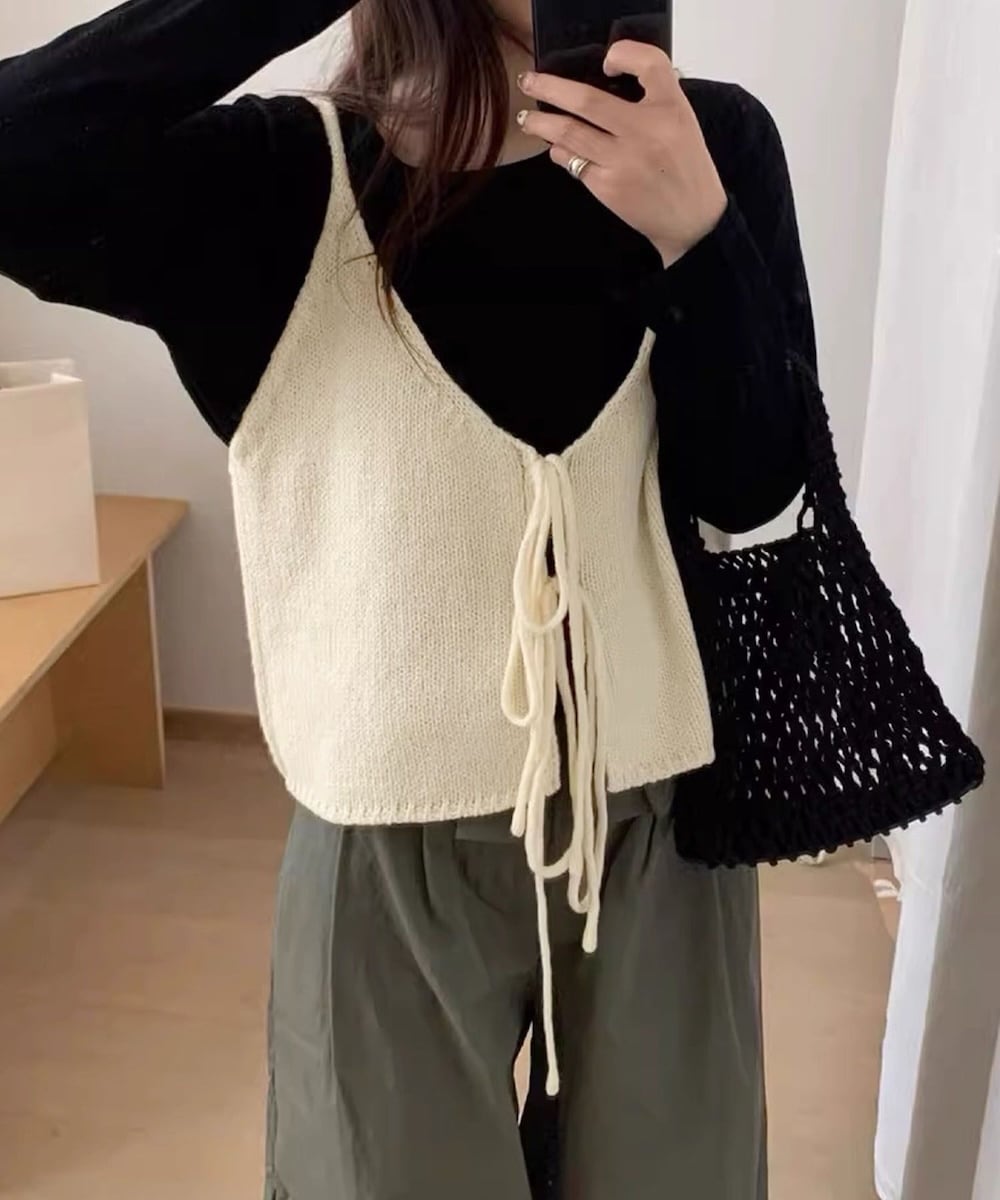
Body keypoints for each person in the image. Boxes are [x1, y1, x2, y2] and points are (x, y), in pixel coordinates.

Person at [0, 0, 818, 1196]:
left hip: (660, 819)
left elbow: (753, 483)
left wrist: (698, 236)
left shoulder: (710, 143)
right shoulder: (281, 180)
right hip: (387, 837)